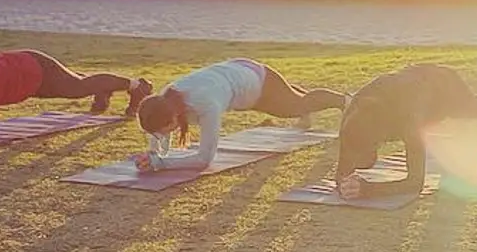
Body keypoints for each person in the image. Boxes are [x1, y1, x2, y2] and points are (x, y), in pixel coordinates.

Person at [331, 63, 477, 199]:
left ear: (380, 136)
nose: (356, 157)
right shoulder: (352, 119)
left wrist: (369, 190)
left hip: (443, 86)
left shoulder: (409, 120)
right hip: (411, 81)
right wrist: (344, 185)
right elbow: (341, 173)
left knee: (474, 108)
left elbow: (415, 184)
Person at [133, 58, 349, 172]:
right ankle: (301, 107)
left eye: (164, 130)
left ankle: (346, 101)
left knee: (295, 106)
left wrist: (161, 163)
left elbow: (204, 160)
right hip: (237, 71)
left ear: (171, 117)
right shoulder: (165, 100)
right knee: (293, 101)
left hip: (260, 84)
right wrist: (152, 154)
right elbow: (159, 129)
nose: (163, 135)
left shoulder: (206, 104)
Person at [0, 50, 150, 148]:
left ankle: (137, 86)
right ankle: (101, 89)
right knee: (79, 84)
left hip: (35, 71)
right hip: (21, 73)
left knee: (78, 87)